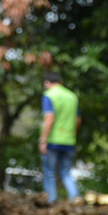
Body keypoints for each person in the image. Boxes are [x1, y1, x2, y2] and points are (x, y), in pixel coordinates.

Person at [38, 71, 82, 204]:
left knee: (49, 173)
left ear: (47, 83)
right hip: (69, 140)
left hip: (53, 140)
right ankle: (75, 197)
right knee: (66, 172)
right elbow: (78, 120)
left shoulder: (49, 95)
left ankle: (51, 202)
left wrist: (43, 139)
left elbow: (49, 118)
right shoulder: (72, 96)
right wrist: (72, 134)